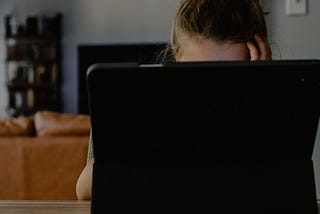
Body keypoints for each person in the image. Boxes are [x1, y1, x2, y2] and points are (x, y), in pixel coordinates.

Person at [76, 0, 272, 200]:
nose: (209, 90)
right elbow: (84, 190)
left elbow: (275, 187)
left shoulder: (266, 109)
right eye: (195, 74)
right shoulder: (140, 101)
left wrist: (255, 95)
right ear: (177, 54)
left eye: (229, 76)